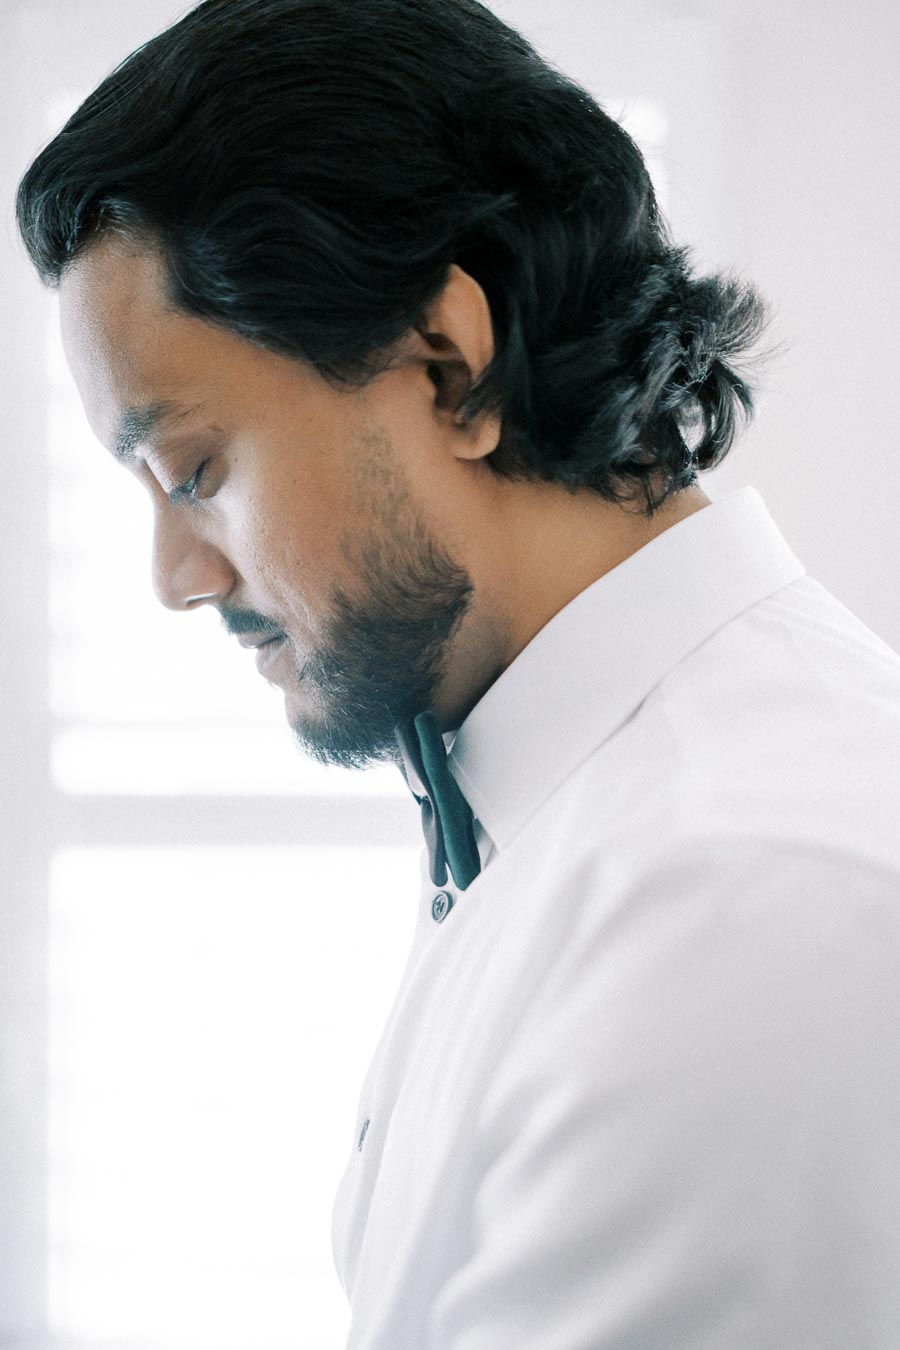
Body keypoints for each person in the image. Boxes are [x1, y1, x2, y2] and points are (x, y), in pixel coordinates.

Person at [16, 0, 900, 1345]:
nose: (175, 576)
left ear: (449, 366)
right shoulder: (556, 807)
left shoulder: (741, 904)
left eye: (192, 469)